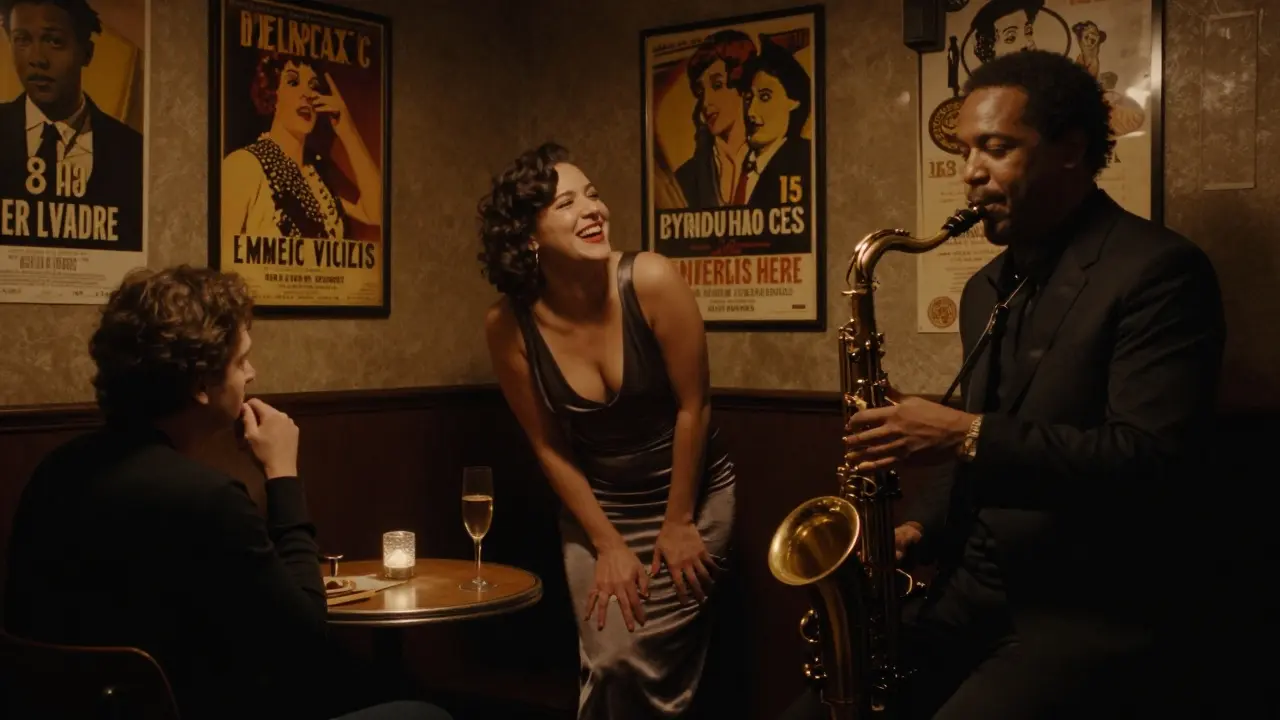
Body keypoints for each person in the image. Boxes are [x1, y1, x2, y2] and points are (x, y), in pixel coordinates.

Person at [780, 50, 1224, 719]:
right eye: (965, 152)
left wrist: (962, 431)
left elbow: (1148, 458)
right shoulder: (986, 286)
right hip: (971, 591)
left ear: (1071, 149)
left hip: (1081, 606)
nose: (970, 175)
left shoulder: (1158, 271)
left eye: (997, 149)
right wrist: (913, 532)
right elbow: (980, 452)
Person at [3, 266, 451, 720]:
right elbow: (306, 640)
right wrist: (282, 473)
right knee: (424, 713)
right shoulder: (206, 500)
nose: (251, 374)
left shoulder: (54, 473)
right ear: (201, 385)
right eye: (241, 361)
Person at [478, 142, 737, 719]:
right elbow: (547, 444)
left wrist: (677, 522)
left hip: (690, 496)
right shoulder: (507, 325)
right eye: (567, 203)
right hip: (600, 508)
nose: (593, 209)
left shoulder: (650, 278)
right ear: (527, 236)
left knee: (653, 667)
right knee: (612, 660)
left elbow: (694, 406)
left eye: (592, 195)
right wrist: (607, 542)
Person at [0, 0, 143, 251]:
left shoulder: (133, 152)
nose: (36, 59)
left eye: (54, 41)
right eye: (22, 40)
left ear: (86, 53)